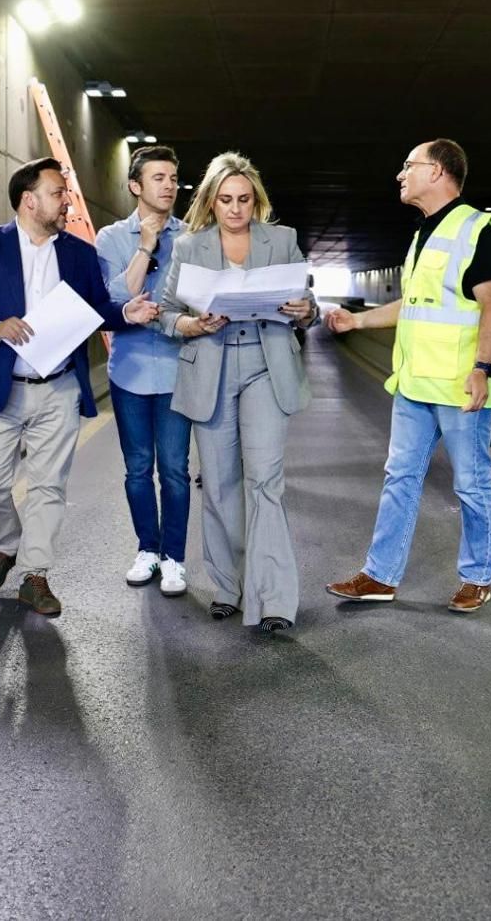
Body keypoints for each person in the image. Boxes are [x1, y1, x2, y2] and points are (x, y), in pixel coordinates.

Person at [0, 157, 160, 617]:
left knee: (48, 486)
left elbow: (99, 308)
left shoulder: (79, 254)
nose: (66, 199)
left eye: (65, 192)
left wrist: (127, 314)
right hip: (1, 387)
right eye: (57, 191)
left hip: (59, 387)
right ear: (29, 200)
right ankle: (6, 545)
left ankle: (34, 576)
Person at [324, 139, 491, 614]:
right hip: (414, 384)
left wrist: (482, 369)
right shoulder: (422, 234)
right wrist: (358, 321)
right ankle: (380, 576)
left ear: (439, 171)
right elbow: (417, 306)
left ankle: (477, 577)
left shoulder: (478, 229)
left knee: (471, 483)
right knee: (400, 477)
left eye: (409, 165)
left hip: (460, 385)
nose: (400, 174)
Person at [157, 152, 318, 632]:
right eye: (225, 200)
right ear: (211, 201)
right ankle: (229, 586)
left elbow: (309, 305)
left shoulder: (283, 240)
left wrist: (303, 310)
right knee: (220, 483)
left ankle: (273, 601)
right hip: (211, 364)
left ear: (256, 201)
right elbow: (167, 313)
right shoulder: (190, 247)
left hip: (265, 367)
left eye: (244, 200)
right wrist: (193, 322)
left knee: (265, 481)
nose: (235, 209)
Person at [94, 146, 192, 597]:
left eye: (173, 178)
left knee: (174, 469)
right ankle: (146, 550)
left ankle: (174, 558)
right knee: (137, 469)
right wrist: (146, 246)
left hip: (177, 369)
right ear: (136, 185)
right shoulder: (110, 238)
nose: (169, 185)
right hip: (129, 370)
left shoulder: (192, 238)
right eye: (158, 178)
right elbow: (113, 300)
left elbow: (195, 299)